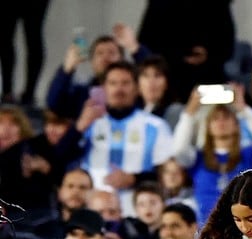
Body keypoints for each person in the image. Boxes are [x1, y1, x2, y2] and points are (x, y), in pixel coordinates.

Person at [59, 61, 174, 216]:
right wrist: (78, 128)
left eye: (125, 83)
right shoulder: (89, 122)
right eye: (113, 83)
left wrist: (135, 178)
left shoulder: (156, 126)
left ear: (136, 88)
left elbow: (168, 174)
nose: (119, 89)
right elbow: (59, 159)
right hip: (91, 211)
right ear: (104, 88)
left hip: (136, 212)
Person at [172, 84, 252, 224]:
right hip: (208, 231)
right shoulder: (198, 158)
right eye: (215, 119)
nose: (221, 122)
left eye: (226, 118)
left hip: (243, 230)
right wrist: (189, 114)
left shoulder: (248, 155)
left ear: (236, 124)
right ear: (208, 127)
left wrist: (243, 109)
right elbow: (178, 150)